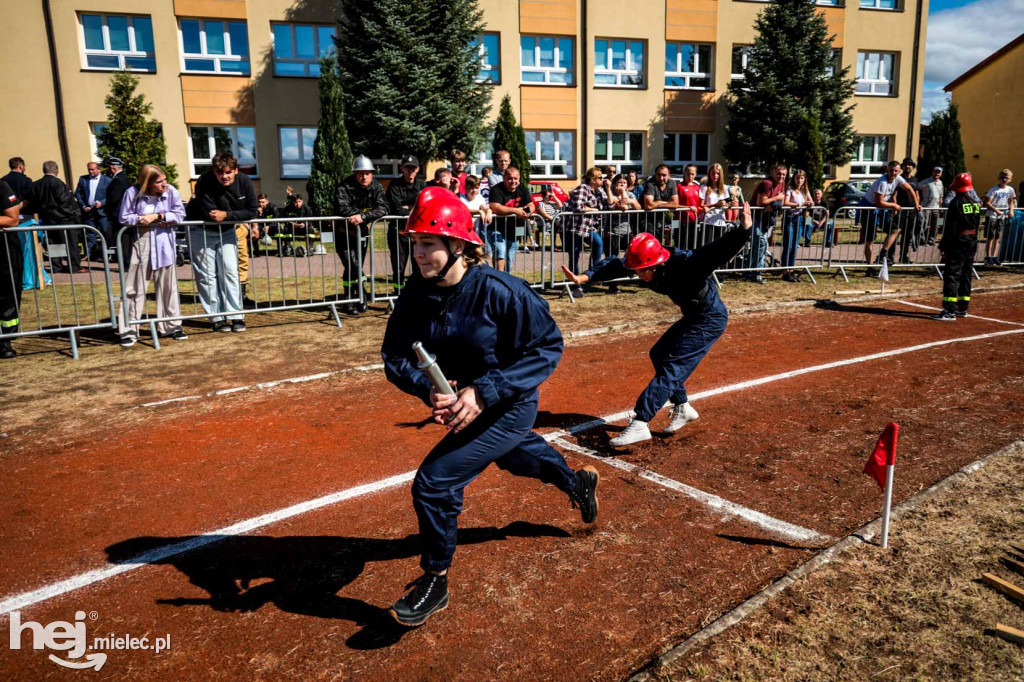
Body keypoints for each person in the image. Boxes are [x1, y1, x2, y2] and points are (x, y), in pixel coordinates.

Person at [380, 186, 599, 626]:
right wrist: (429, 391)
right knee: (516, 456)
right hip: (466, 401)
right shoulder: (416, 292)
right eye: (414, 243)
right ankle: (576, 483)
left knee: (435, 484)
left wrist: (484, 392)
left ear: (457, 244)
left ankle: (435, 578)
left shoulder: (503, 291)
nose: (418, 253)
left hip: (511, 402)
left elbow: (547, 347)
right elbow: (395, 355)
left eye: (427, 244)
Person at [560, 203, 755, 447]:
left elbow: (715, 252)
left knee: (673, 366)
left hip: (709, 318)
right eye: (637, 270)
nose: (639, 275)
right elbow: (614, 264)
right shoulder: (642, 261)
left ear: (657, 262)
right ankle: (683, 408)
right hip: (693, 315)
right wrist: (584, 277)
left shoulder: (685, 263)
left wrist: (743, 231)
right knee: (660, 353)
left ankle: (641, 421)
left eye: (643, 271)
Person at [116, 164, 187, 346]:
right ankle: (129, 329)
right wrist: (140, 219)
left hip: (165, 242)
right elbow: (124, 217)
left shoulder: (171, 191)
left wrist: (159, 216)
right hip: (143, 241)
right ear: (147, 183)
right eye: (159, 182)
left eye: (164, 179)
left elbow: (180, 213)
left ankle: (172, 326)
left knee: (168, 287)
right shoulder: (132, 193)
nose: (164, 184)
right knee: (134, 288)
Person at [186, 150, 257, 333]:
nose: (224, 177)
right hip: (201, 231)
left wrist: (227, 215)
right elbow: (211, 212)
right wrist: (227, 215)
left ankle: (236, 316)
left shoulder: (245, 182)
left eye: (228, 172)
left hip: (227, 231)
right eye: (220, 173)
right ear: (214, 172)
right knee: (208, 276)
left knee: (230, 272)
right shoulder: (204, 181)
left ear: (235, 170)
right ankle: (217, 318)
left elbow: (251, 211)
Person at [335, 154, 388, 314]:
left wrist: (363, 217)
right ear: (354, 174)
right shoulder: (344, 187)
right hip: (343, 233)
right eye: (360, 173)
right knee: (352, 266)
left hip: (361, 234)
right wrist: (359, 215)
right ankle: (356, 295)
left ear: (372, 174)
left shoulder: (377, 187)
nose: (364, 177)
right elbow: (341, 207)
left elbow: (383, 208)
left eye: (367, 173)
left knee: (355, 266)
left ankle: (352, 298)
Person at [932, 173, 981, 321]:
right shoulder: (974, 203)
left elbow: (950, 228)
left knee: (952, 274)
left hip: (958, 241)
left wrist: (944, 246)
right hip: (971, 241)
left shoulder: (956, 202)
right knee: (966, 274)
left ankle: (949, 310)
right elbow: (977, 225)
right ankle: (962, 307)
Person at [856, 160, 918, 270]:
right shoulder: (882, 183)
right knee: (870, 240)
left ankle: (882, 254)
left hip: (881, 209)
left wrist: (917, 204)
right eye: (891, 171)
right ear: (887, 170)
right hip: (869, 208)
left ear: (899, 171)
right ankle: (870, 267)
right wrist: (894, 205)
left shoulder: (898, 178)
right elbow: (878, 202)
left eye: (896, 171)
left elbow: (909, 189)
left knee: (895, 229)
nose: (893, 173)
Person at [28, 161, 83, 273]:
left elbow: (33, 202)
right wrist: (73, 214)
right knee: (70, 243)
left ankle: (56, 266)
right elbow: (64, 201)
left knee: (54, 243)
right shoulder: (58, 183)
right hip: (63, 218)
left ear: (44, 170)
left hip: (47, 218)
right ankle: (74, 266)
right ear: (57, 170)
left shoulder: (36, 184)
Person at [385, 155, 427, 292]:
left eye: (413, 168)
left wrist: (408, 209)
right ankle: (398, 294)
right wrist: (413, 209)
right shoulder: (394, 185)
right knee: (399, 266)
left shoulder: (422, 185)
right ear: (402, 168)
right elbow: (396, 208)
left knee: (418, 264)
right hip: (398, 231)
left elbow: (425, 207)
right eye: (407, 168)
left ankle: (416, 293)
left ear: (417, 169)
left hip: (416, 233)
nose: (410, 171)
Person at [564, 167, 607, 297]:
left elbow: (608, 204)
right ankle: (577, 285)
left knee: (598, 243)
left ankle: (591, 273)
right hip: (574, 228)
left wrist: (608, 189)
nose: (602, 180)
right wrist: (593, 210)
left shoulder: (598, 191)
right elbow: (578, 207)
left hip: (588, 228)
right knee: (574, 256)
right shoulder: (583, 188)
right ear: (594, 180)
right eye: (600, 178)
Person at [487, 165, 534, 273]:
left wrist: (528, 211)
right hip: (496, 228)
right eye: (509, 178)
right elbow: (495, 207)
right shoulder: (496, 189)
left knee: (509, 257)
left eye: (515, 178)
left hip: (515, 230)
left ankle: (505, 279)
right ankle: (499, 278)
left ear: (519, 178)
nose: (513, 181)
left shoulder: (522, 188)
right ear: (504, 178)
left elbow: (531, 204)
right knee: (500, 252)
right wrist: (516, 210)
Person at [747, 164, 788, 283]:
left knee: (760, 246)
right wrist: (775, 200)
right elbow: (761, 202)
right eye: (779, 174)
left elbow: (782, 200)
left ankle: (752, 271)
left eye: (784, 174)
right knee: (761, 245)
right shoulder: (767, 183)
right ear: (773, 172)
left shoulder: (782, 183)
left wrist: (773, 204)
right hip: (756, 217)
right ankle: (756, 272)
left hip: (767, 219)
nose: (781, 176)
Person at [0, 178, 23, 358]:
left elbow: (12, 219)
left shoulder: (1, 186)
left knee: (7, 295)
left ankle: (4, 341)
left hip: (4, 251)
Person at [886, 157, 923, 264]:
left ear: (913, 167)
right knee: (895, 233)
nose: (908, 166)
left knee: (907, 234)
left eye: (910, 165)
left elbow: (916, 193)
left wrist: (917, 204)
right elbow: (894, 195)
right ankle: (890, 256)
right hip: (900, 209)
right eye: (906, 164)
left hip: (911, 210)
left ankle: (904, 256)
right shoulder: (899, 178)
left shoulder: (915, 179)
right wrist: (895, 207)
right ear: (902, 167)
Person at [74, 162, 111, 260]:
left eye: (93, 169)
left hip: (102, 212)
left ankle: (107, 254)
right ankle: (89, 254)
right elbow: (77, 193)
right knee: (90, 234)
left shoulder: (107, 181)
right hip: (88, 211)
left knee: (105, 232)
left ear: (99, 169)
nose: (90, 171)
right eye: (89, 169)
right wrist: (83, 205)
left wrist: (102, 203)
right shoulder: (83, 179)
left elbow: (110, 196)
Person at [781, 169, 812, 282]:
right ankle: (785, 272)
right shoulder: (790, 190)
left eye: (802, 178)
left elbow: (811, 202)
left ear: (804, 179)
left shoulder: (805, 191)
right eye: (797, 178)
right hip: (790, 218)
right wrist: (799, 204)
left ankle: (791, 270)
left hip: (799, 219)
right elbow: (785, 202)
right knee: (788, 246)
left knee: (795, 246)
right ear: (794, 179)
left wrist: (809, 204)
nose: (799, 180)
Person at [604, 173, 641, 263]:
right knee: (611, 256)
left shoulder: (631, 194)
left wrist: (631, 201)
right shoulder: (610, 194)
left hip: (627, 230)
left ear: (627, 184)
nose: (622, 184)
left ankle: (625, 270)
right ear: (614, 184)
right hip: (613, 231)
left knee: (631, 252)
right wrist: (624, 194)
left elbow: (638, 208)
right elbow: (624, 207)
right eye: (619, 182)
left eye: (624, 182)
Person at [982, 169, 1016, 266]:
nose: (1004, 179)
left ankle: (994, 256)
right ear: (999, 178)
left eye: (1006, 178)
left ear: (1010, 179)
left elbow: (1011, 201)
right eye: (1002, 177)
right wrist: (996, 210)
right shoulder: (994, 189)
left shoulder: (1010, 189)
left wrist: (1011, 210)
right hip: (992, 215)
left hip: (1001, 216)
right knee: (990, 236)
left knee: (997, 236)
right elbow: (988, 202)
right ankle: (988, 257)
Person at [104, 157, 132, 266]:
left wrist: (107, 209)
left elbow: (114, 198)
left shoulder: (119, 180)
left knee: (123, 239)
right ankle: (125, 261)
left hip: (118, 214)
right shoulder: (122, 178)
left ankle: (126, 263)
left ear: (112, 167)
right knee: (122, 239)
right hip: (120, 213)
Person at [700, 163, 734, 229]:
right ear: (709, 173)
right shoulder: (704, 187)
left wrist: (730, 205)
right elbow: (700, 205)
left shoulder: (725, 187)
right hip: (708, 221)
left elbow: (726, 204)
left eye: (718, 173)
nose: (715, 175)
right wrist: (715, 205)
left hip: (721, 221)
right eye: (713, 173)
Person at [675, 164, 703, 245]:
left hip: (694, 220)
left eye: (693, 174)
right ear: (684, 173)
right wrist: (688, 208)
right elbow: (675, 204)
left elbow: (698, 205)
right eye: (688, 173)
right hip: (682, 221)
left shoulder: (697, 187)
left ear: (695, 174)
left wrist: (704, 208)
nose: (690, 176)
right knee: (682, 244)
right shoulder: (679, 187)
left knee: (692, 244)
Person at [918, 166, 944, 246]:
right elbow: (917, 188)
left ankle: (932, 240)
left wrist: (941, 204)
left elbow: (941, 195)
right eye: (936, 172)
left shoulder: (940, 183)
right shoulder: (926, 181)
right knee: (925, 224)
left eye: (939, 172)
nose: (937, 173)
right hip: (926, 206)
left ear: (941, 174)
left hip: (936, 207)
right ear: (932, 172)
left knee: (936, 224)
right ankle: (922, 240)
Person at [251, 193, 279, 258]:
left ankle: (280, 251)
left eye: (263, 202)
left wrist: (269, 226)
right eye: (259, 202)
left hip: (271, 227)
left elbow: (277, 219)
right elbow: (253, 220)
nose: (260, 204)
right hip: (261, 228)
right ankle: (256, 252)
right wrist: (257, 213)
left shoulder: (272, 207)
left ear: (267, 201)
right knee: (254, 232)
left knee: (279, 230)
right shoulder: (256, 208)